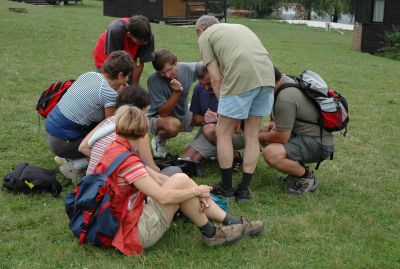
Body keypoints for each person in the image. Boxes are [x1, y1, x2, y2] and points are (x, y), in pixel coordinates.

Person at [96, 105, 264, 256]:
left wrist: (194, 189)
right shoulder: (129, 161)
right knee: (180, 181)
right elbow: (163, 197)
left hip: (119, 221)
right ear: (142, 133)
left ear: (118, 128)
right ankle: (214, 232)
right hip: (133, 233)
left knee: (180, 179)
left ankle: (225, 225)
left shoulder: (116, 148)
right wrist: (196, 191)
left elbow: (158, 178)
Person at [195, 15, 275, 202]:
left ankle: (227, 189)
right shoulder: (239, 27)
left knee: (222, 131)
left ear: (200, 31)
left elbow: (215, 78)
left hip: (243, 76)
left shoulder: (205, 37)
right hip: (267, 76)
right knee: (252, 134)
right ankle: (244, 191)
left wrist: (225, 109)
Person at [46, 50, 134, 161]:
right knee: (109, 141)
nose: (127, 80)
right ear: (121, 75)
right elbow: (109, 125)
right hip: (63, 143)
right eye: (128, 76)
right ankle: (76, 165)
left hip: (52, 131)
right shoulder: (108, 93)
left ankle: (71, 157)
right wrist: (120, 96)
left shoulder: (90, 75)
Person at [259, 67, 335, 195]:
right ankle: (296, 172)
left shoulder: (285, 97)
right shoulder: (287, 81)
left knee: (271, 152)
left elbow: (281, 137)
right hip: (312, 137)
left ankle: (306, 177)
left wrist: (255, 136)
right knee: (268, 137)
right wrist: (273, 125)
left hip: (319, 144)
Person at [78, 85, 181, 177]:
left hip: (91, 183)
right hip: (115, 187)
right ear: (141, 109)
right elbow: (150, 167)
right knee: (175, 171)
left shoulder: (109, 120)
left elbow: (82, 147)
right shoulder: (138, 131)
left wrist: (105, 160)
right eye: (147, 108)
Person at [180, 62, 244, 167]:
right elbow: (195, 119)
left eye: (209, 83)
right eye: (202, 84)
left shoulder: (232, 89)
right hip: (210, 132)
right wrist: (205, 119)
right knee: (185, 161)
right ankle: (217, 153)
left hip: (236, 134)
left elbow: (238, 124)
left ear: (218, 77)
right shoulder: (198, 89)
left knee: (209, 129)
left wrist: (218, 119)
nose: (205, 88)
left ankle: (234, 155)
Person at [147, 48, 197, 158]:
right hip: (159, 118)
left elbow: (206, 67)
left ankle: (197, 145)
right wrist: (177, 93)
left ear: (175, 63)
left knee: (206, 114)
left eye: (169, 70)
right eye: (162, 73)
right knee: (173, 125)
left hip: (183, 112)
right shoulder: (153, 80)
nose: (167, 75)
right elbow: (163, 113)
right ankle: (159, 140)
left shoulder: (187, 69)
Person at [93, 15, 154, 85]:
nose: (145, 43)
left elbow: (138, 62)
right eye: (140, 41)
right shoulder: (116, 29)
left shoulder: (147, 37)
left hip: (128, 56)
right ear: (129, 35)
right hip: (107, 56)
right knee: (107, 85)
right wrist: (122, 84)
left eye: (146, 41)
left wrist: (134, 86)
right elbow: (114, 63)